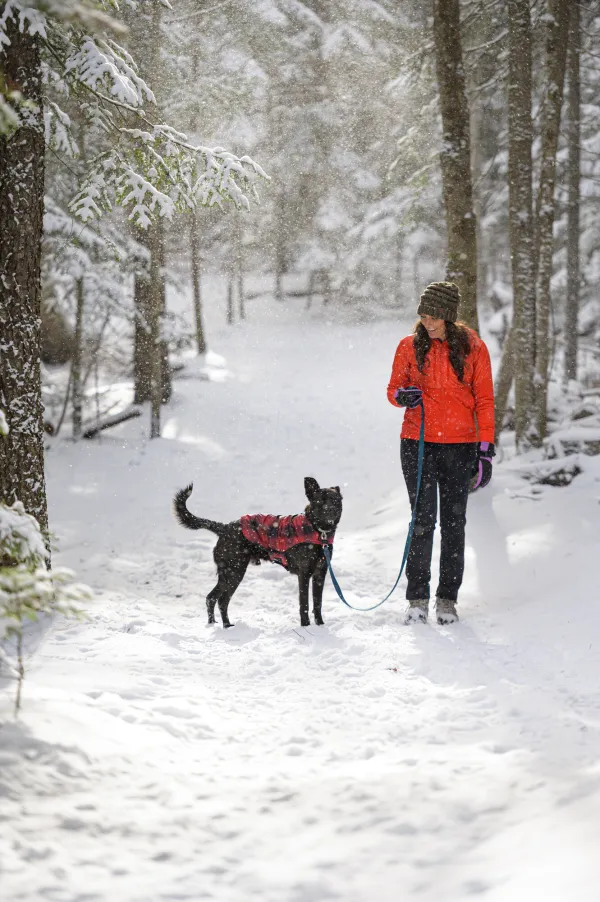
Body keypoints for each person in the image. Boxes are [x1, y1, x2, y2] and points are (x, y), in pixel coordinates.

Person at [387, 281, 495, 625]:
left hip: (460, 446)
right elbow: (392, 389)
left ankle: (447, 599)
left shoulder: (473, 348)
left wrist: (485, 449)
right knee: (421, 521)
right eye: (423, 315)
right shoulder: (408, 346)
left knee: (454, 523)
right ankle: (416, 598)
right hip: (417, 443)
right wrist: (402, 396)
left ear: (448, 318)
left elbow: (485, 401)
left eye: (434, 317)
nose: (427, 322)